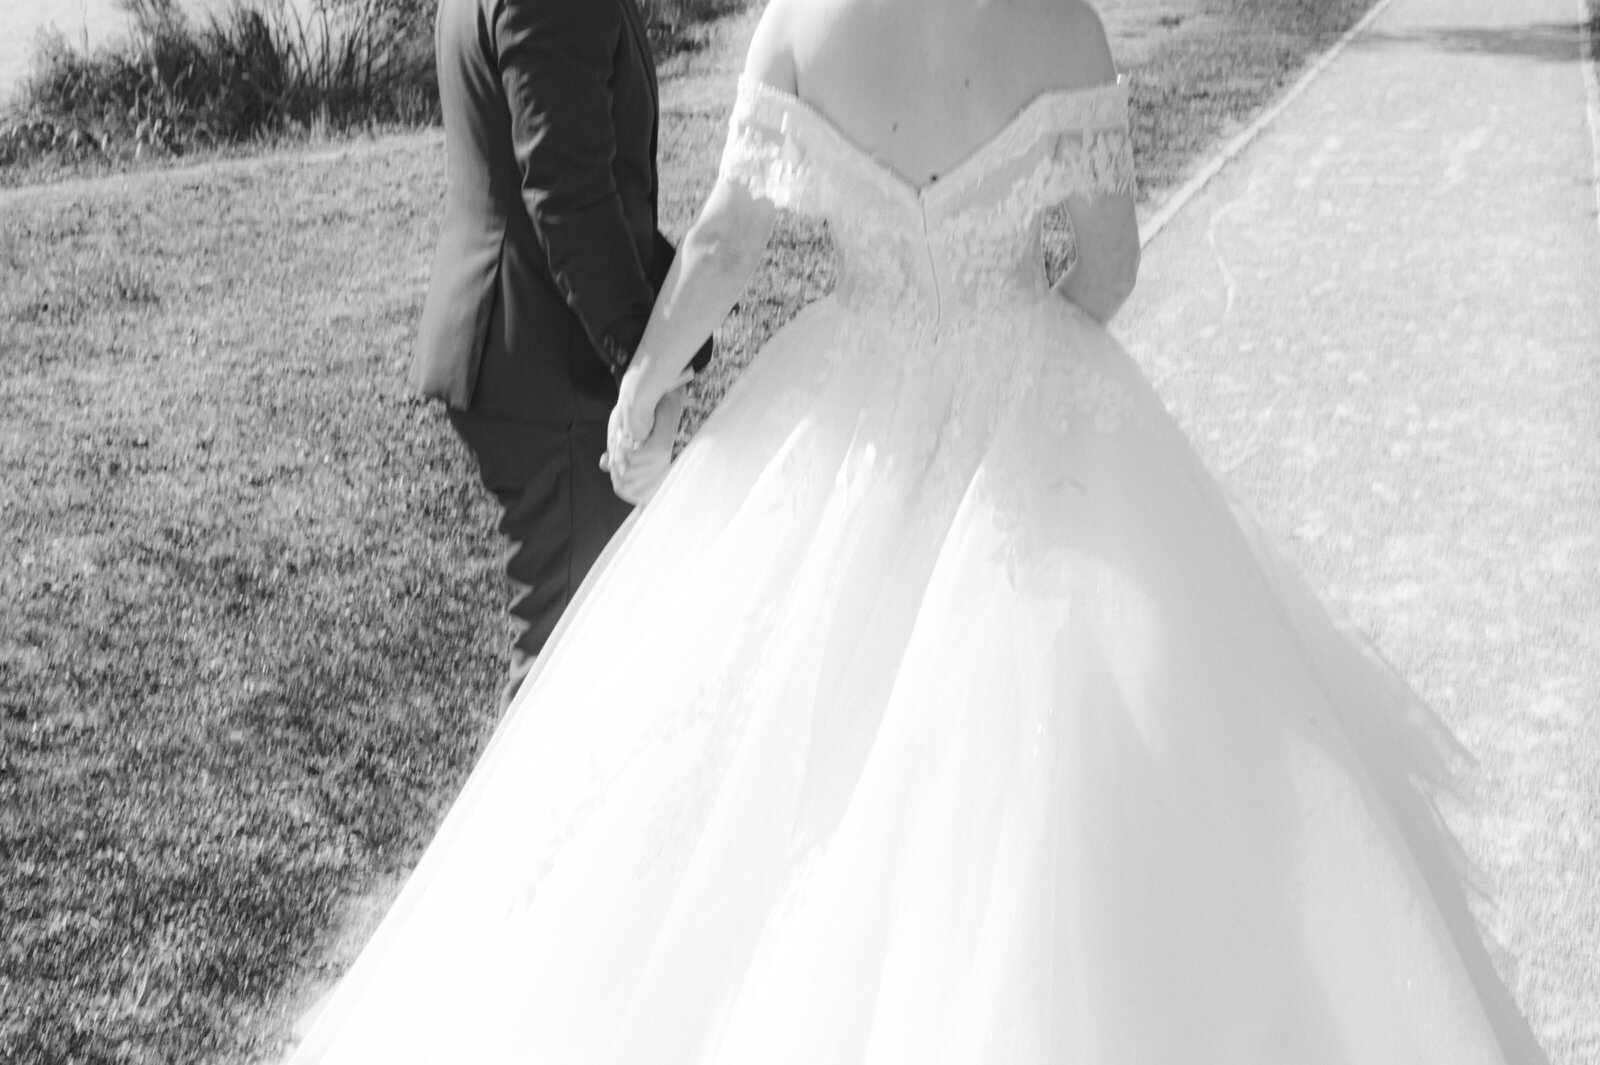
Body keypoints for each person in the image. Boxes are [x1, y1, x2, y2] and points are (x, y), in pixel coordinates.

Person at [289, 0, 1552, 1060]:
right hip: (1027, 396)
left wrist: (644, 386)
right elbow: (1107, 272)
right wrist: (1008, 321)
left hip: (849, 401)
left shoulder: (805, 17)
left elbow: (728, 240)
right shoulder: (1060, 21)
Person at [413, 0, 710, 707]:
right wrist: (647, 367)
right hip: (553, 363)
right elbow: (567, 196)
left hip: (527, 346)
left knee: (580, 650)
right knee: (570, 676)